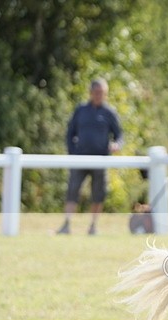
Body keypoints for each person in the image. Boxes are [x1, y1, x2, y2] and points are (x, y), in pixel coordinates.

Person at [57, 78, 123, 235]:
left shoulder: (109, 113)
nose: (100, 95)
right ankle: (66, 225)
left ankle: (93, 226)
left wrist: (116, 145)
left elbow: (119, 135)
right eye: (97, 92)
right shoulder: (81, 110)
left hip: (100, 161)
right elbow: (70, 133)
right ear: (91, 92)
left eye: (102, 93)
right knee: (73, 190)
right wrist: (72, 152)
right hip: (80, 159)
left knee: (98, 194)